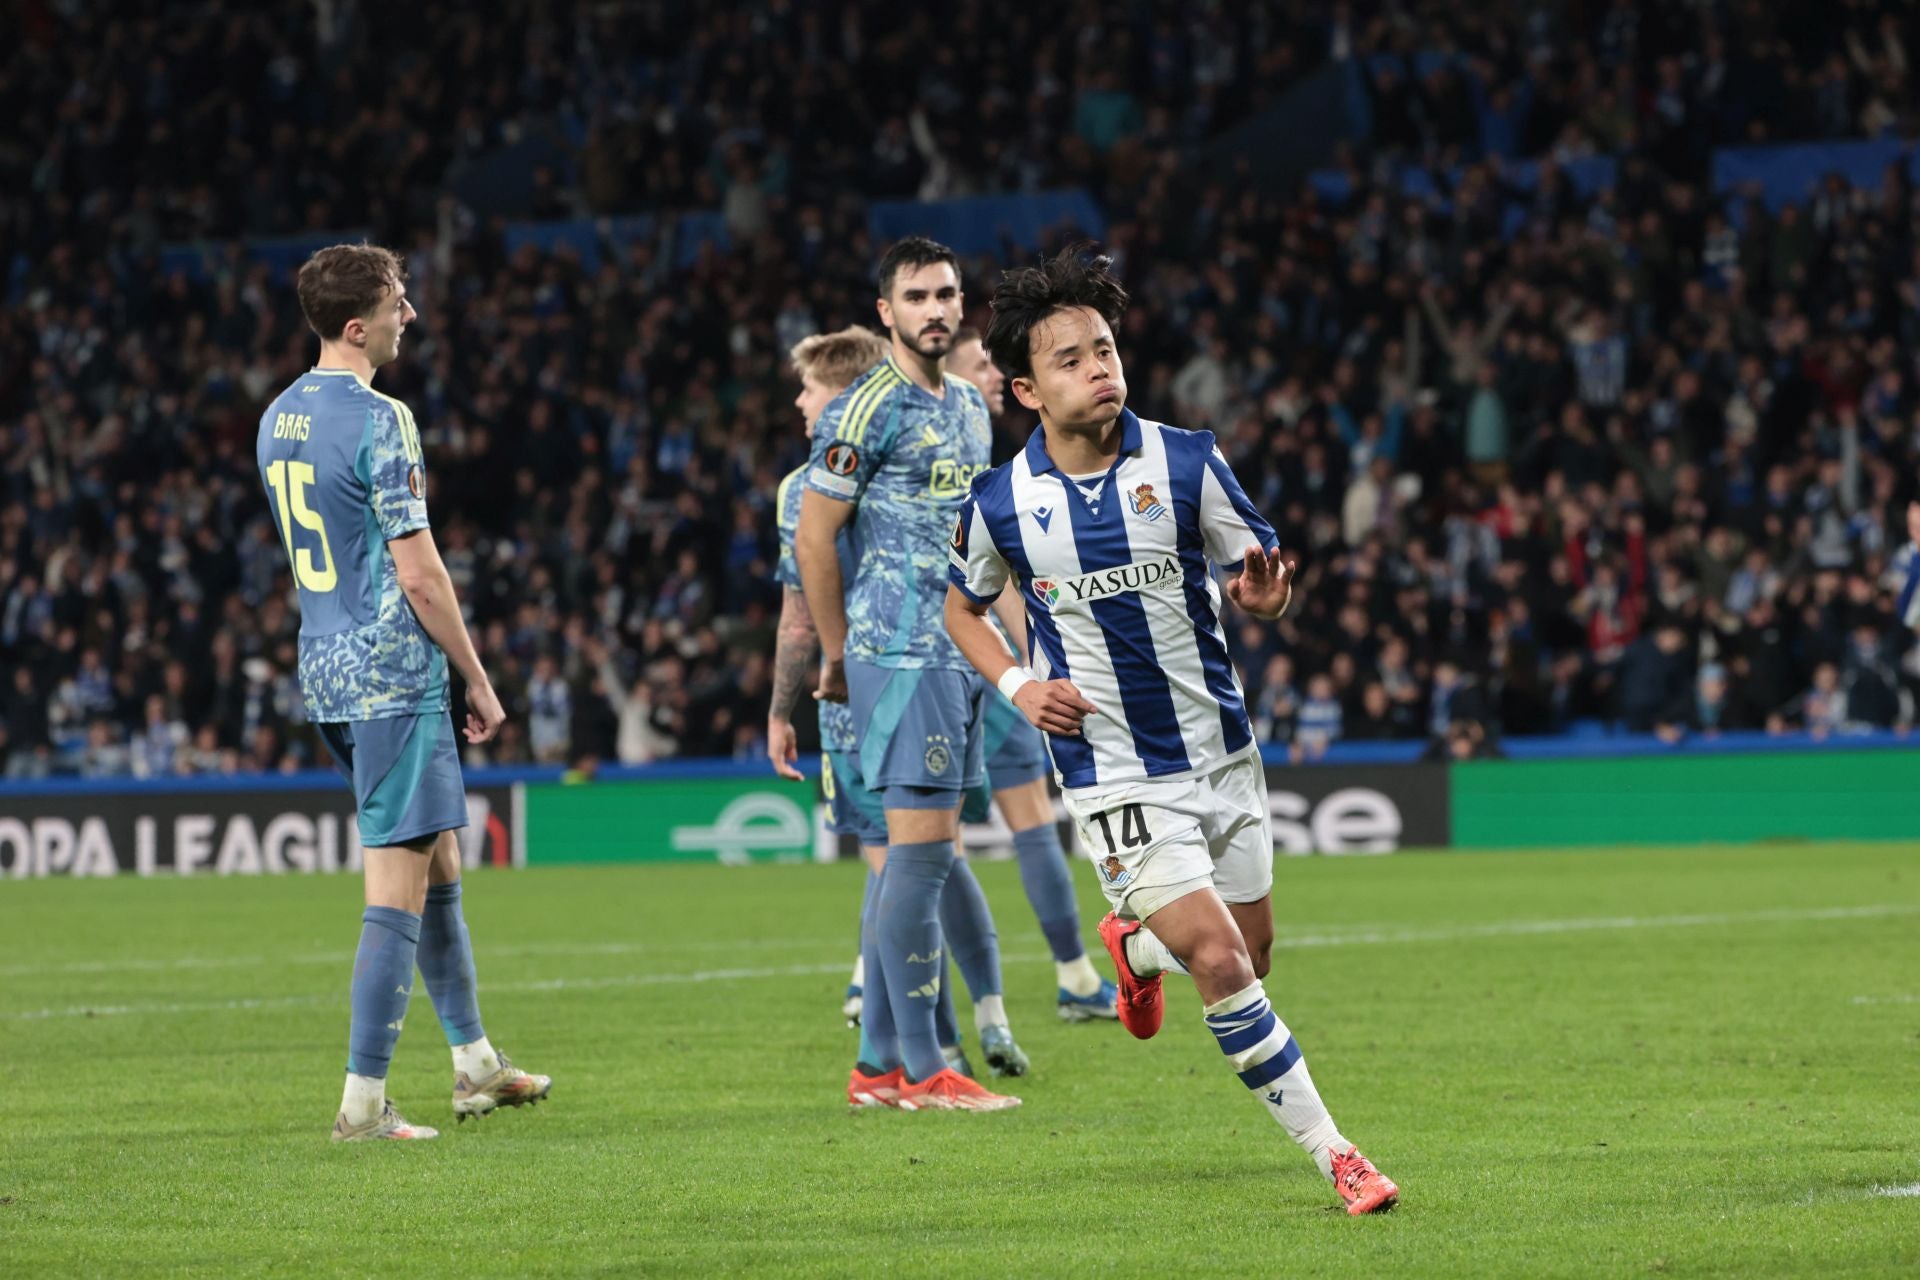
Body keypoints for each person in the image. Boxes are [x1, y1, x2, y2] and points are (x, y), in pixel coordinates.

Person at [945, 245, 1400, 1212]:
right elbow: (960, 609)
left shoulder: (1188, 460)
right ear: (1025, 388)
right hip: (1111, 770)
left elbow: (1261, 581)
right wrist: (1022, 686)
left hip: (1222, 754)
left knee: (1253, 950)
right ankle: (1338, 1156)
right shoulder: (1000, 503)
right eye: (1069, 359)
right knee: (1226, 963)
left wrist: (1270, 599)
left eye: (1104, 347)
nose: (1098, 366)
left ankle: (1134, 948)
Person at [258, 243, 550, 1142]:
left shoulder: (277, 418)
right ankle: (361, 1105)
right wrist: (476, 674)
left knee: (437, 862)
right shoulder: (382, 418)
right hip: (393, 674)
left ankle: (474, 1066)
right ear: (357, 326)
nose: (409, 316)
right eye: (397, 303)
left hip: (327, 671)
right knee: (394, 890)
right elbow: (420, 573)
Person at [795, 237, 1021, 1111]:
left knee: (923, 861)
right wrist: (842, 649)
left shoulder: (969, 405)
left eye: (948, 294)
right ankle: (925, 1071)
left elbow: (981, 545)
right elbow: (817, 535)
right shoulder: (866, 409)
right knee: (917, 862)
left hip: (961, 660)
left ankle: (883, 1066)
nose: (936, 309)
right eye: (917, 297)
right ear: (885, 313)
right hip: (896, 656)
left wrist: (1018, 645)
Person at [771, 325, 993, 1079]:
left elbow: (797, 609)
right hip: (892, 674)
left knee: (908, 862)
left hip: (889, 679)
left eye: (807, 388)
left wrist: (782, 708)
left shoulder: (817, 479)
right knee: (915, 862)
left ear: (841, 392)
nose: (800, 402)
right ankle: (903, 1057)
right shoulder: (840, 473)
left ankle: (904, 1053)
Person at [949, 326, 1118, 1021]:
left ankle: (1073, 975)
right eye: (976, 368)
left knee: (938, 835)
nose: (992, 379)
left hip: (967, 661)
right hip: (945, 662)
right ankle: (1072, 977)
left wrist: (1025, 669)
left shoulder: (990, 467)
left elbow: (999, 577)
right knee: (935, 837)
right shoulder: (970, 461)